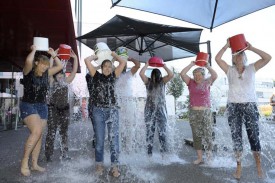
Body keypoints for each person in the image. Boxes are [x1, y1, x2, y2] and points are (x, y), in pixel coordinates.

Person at [215, 40, 271, 180]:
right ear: (233, 58)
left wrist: (251, 48)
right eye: (235, 54)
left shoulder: (252, 68)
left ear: (245, 56)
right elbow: (217, 59)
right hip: (233, 107)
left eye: (241, 54)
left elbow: (268, 57)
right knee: (236, 138)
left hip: (250, 106)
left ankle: (258, 165)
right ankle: (238, 166)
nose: (238, 56)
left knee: (254, 137)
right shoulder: (229, 70)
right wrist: (227, 46)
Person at [20, 45, 63, 176]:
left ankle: (34, 164)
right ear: (37, 63)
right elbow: (28, 62)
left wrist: (53, 55)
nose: (45, 67)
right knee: (37, 131)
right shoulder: (28, 73)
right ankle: (24, 162)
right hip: (28, 105)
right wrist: (33, 50)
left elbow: (60, 67)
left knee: (39, 136)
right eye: (42, 64)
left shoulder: (46, 74)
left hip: (42, 106)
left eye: (46, 64)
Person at [84, 52, 126, 177]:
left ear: (112, 68)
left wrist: (114, 55)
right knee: (100, 140)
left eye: (109, 66)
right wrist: (95, 57)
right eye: (105, 66)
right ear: (101, 68)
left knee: (114, 141)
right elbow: (87, 60)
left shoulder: (114, 75)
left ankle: (114, 166)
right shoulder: (96, 76)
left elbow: (122, 62)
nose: (107, 68)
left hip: (113, 110)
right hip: (98, 111)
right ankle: (99, 164)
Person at [180, 62, 217, 165]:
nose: (197, 77)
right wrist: (191, 64)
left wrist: (208, 66)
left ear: (203, 75)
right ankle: (200, 158)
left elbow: (215, 75)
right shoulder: (190, 82)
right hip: (193, 112)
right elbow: (182, 73)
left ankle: (209, 158)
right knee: (196, 135)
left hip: (206, 111)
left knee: (208, 135)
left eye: (199, 74)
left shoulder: (207, 82)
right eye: (195, 75)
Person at [45, 49, 78, 162]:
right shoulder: (51, 81)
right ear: (54, 76)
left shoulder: (66, 81)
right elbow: (49, 69)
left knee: (64, 133)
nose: (60, 76)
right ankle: (48, 155)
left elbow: (73, 72)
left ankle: (64, 153)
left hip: (64, 110)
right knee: (51, 132)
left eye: (61, 75)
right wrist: (52, 56)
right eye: (58, 75)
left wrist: (75, 58)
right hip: (53, 109)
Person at [139, 60, 174, 157]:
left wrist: (164, 65)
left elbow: (171, 74)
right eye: (154, 75)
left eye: (156, 75)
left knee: (162, 132)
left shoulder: (162, 81)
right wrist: (146, 64)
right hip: (149, 110)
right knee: (149, 133)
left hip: (161, 110)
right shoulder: (148, 82)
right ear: (151, 75)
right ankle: (149, 154)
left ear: (159, 75)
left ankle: (164, 153)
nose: (155, 77)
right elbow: (141, 73)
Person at [115, 57, 140, 153]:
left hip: (129, 103)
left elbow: (137, 65)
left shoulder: (129, 73)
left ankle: (129, 149)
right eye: (122, 63)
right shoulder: (115, 74)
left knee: (129, 127)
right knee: (119, 128)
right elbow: (107, 67)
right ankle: (119, 150)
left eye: (125, 63)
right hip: (118, 104)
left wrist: (131, 58)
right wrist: (115, 58)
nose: (123, 64)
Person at [85, 65, 101, 148]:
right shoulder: (88, 77)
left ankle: (97, 142)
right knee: (96, 126)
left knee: (98, 126)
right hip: (92, 105)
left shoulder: (99, 80)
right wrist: (100, 65)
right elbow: (90, 72)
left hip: (97, 105)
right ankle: (96, 143)